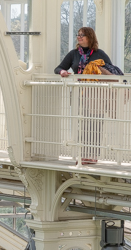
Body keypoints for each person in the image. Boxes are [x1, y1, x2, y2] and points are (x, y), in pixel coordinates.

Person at [54, 27, 118, 164]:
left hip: (96, 95)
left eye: (82, 35)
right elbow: (58, 68)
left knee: (96, 124)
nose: (79, 37)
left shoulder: (100, 53)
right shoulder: (73, 54)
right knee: (82, 124)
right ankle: (82, 155)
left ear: (90, 37)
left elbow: (111, 70)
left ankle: (93, 156)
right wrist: (62, 72)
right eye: (78, 35)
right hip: (79, 94)